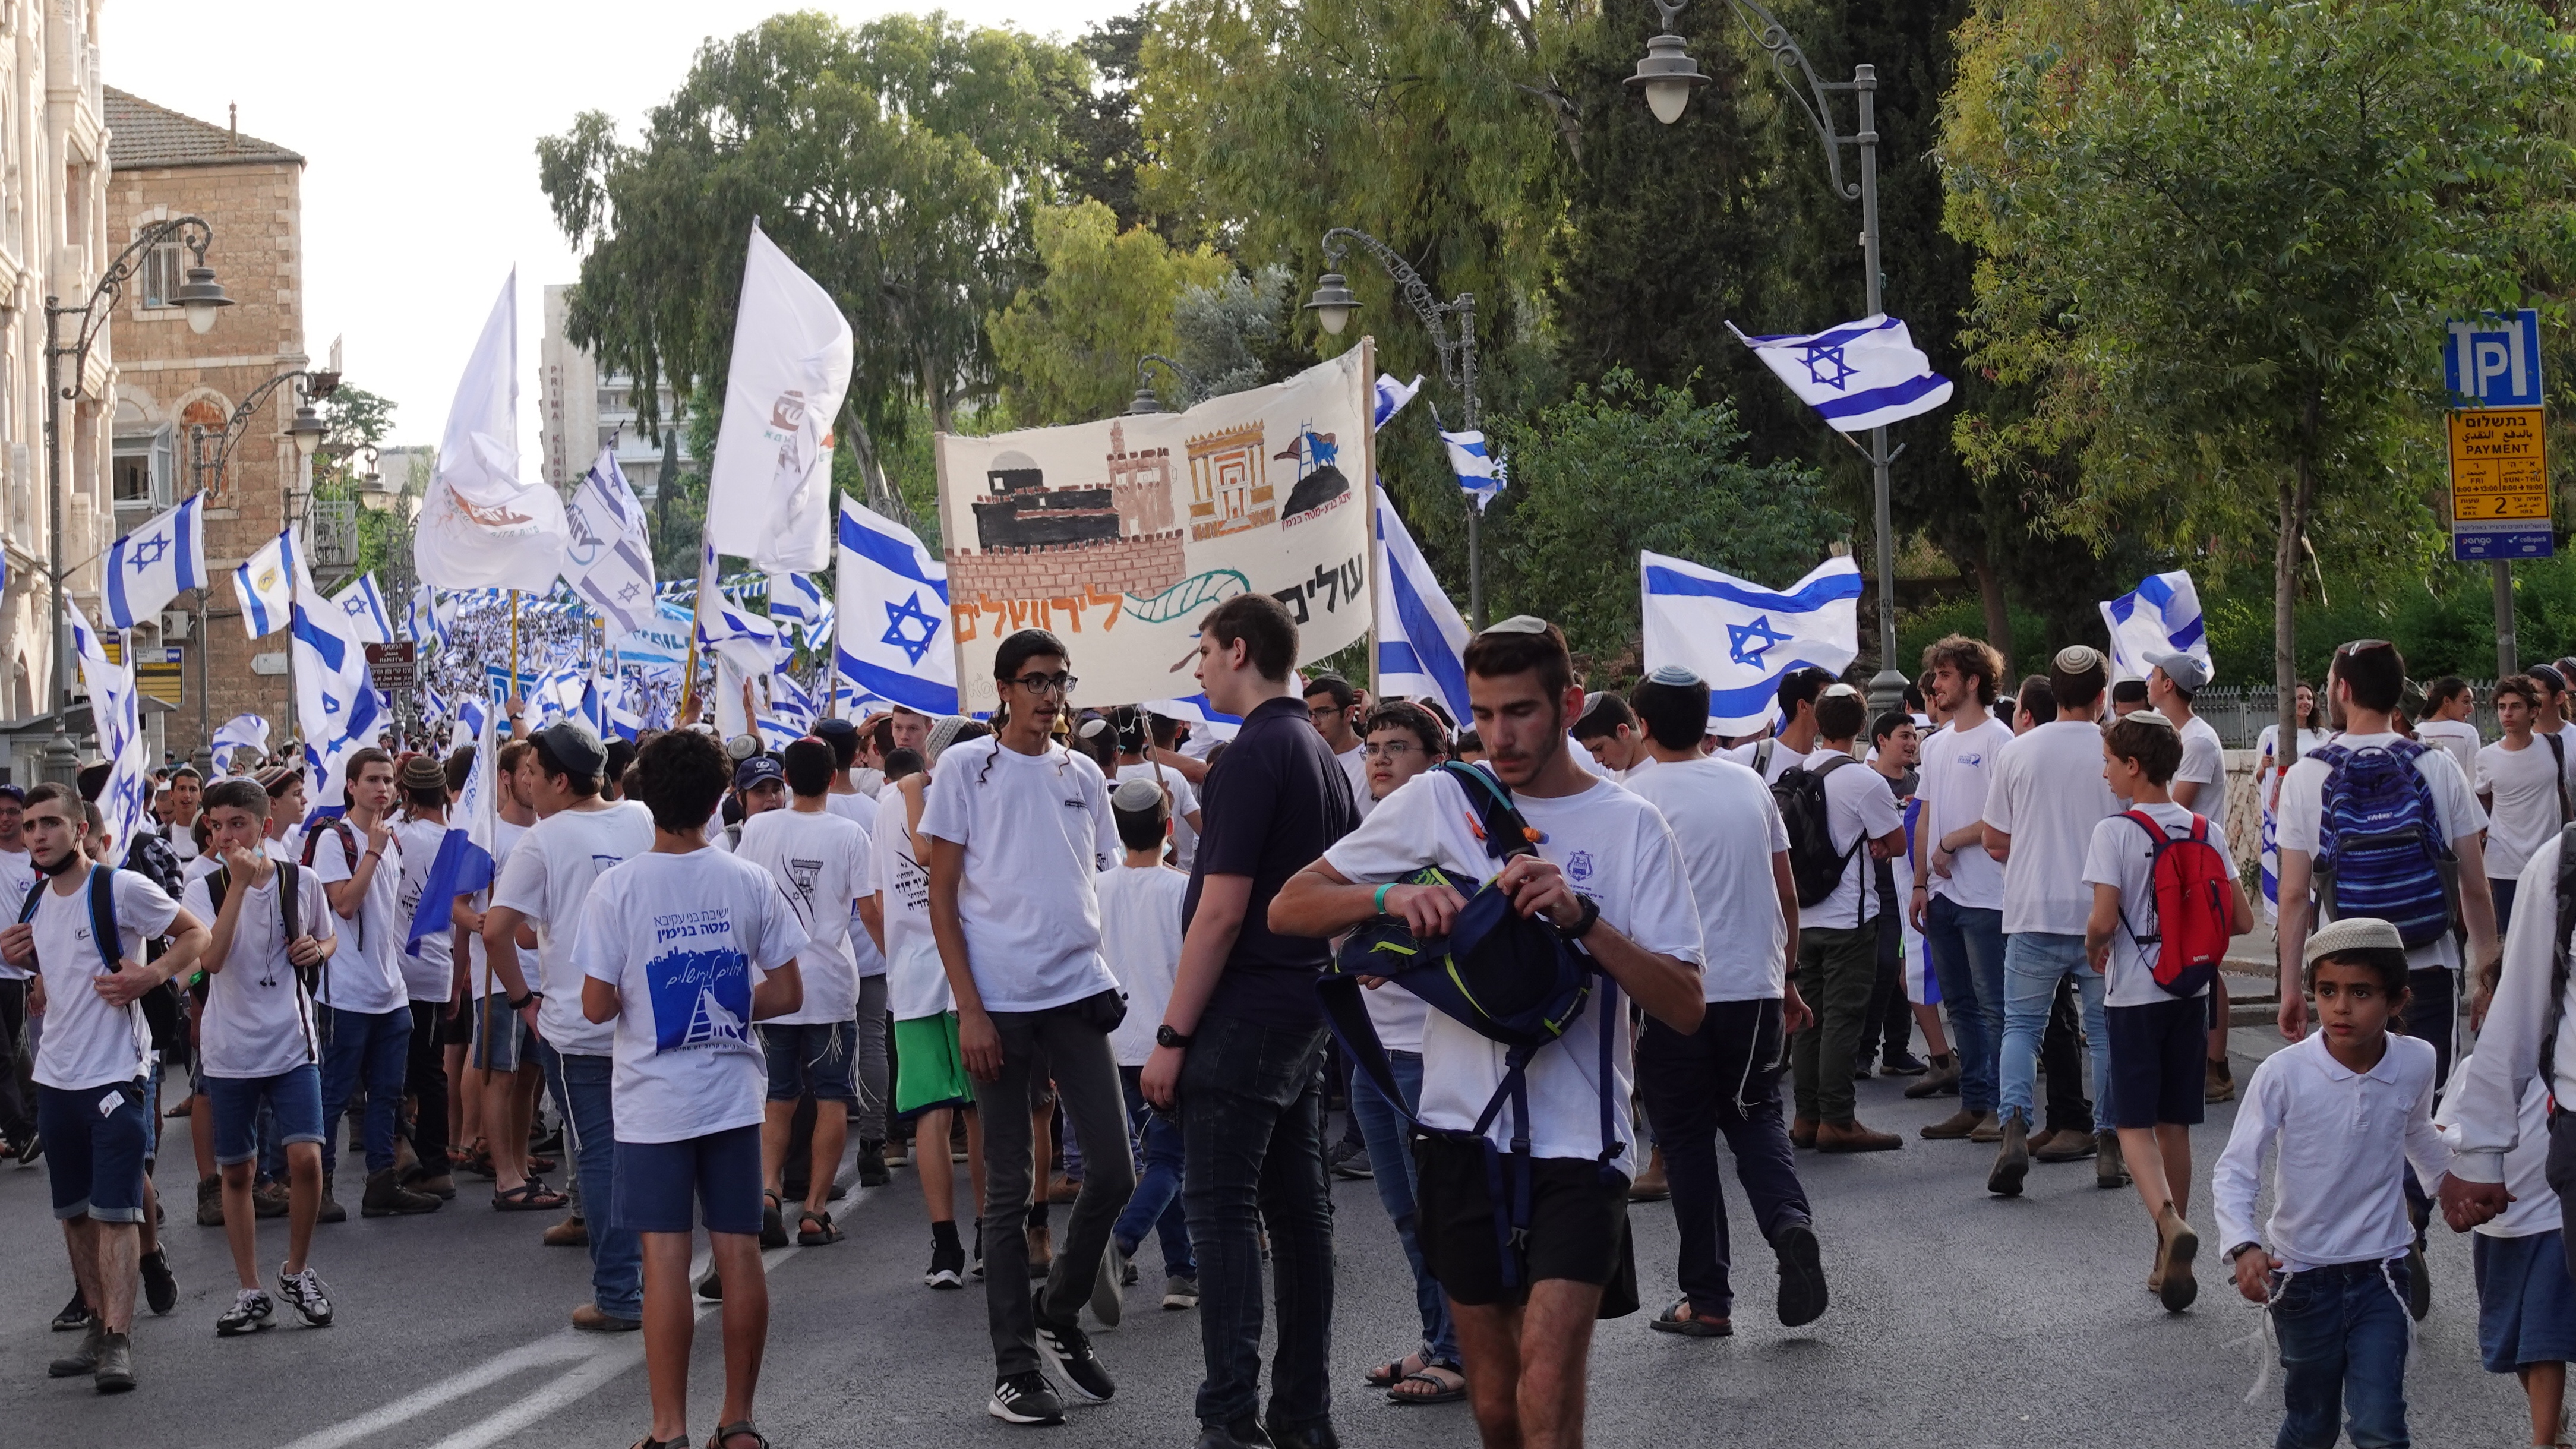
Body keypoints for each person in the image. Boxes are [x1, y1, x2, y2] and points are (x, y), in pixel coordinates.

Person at [1271, 616, 1706, 1449]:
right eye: (1483, 713)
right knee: (1499, 1406)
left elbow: (1685, 1002)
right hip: (1461, 1136)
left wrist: (1583, 919)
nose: (1499, 736)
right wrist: (1387, 898)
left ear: (1569, 703)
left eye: (1521, 712)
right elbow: (1289, 905)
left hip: (1585, 1144)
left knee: (1546, 1384)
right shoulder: (1444, 797)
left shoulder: (1632, 824)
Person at [1132, 596, 1356, 1449]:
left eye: (1202, 653)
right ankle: (1304, 1411)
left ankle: (1230, 1413)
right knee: (1301, 1219)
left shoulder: (1255, 752)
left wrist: (1172, 1035)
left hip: (1246, 1011)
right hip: (1301, 1009)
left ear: (1237, 649)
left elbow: (1220, 912)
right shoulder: (1320, 753)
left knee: (1223, 1212)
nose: (1197, 671)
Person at [921, 629, 1133, 1428]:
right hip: (998, 1003)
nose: (1050, 694)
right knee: (1007, 1193)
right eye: (1035, 680)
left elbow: (1095, 876)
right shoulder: (963, 769)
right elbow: (942, 898)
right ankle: (1014, 1368)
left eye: (1059, 680)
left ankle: (1060, 1306)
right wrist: (970, 1005)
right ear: (1005, 688)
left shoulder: (1083, 772)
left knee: (1114, 1171)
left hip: (1078, 992)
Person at [577, 727, 807, 1449]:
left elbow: (593, 1007)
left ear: (643, 795)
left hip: (652, 1099)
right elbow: (789, 991)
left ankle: (667, 1429)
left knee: (665, 1259)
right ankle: (737, 1422)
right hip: (733, 1092)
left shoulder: (616, 887)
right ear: (722, 799)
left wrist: (652, 995)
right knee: (738, 1250)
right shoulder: (747, 879)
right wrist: (727, 998)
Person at [2274, 639, 2497, 1315]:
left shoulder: (2307, 776)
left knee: (2355, 1106)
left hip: (2346, 973)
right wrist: (2486, 973)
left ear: (2340, 690)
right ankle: (2408, 1225)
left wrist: (2293, 984)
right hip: (2426, 962)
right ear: (2401, 691)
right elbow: (2474, 884)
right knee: (2419, 1110)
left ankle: (2374, 1244)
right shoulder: (2436, 766)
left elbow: (2292, 897)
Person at [1622, 667, 1827, 1340]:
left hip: (1671, 993)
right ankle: (1789, 1224)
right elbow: (1786, 893)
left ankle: (1707, 1298)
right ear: (1708, 719)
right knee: (1756, 1117)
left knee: (1683, 1142)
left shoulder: (1631, 797)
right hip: (1754, 986)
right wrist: (1788, 978)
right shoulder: (1748, 784)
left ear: (1643, 724)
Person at [2218, 918, 2451, 1449]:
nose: (2341, 1007)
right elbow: (2236, 1166)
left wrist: (2451, 1186)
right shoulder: (2285, 1073)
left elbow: (2415, 1129)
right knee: (2311, 1425)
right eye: (2328, 991)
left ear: (2397, 999)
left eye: (2361, 992)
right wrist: (2243, 1243)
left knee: (2380, 1425)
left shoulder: (2418, 1061)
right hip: (2303, 1279)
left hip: (2384, 1273)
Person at [6, 782, 207, 1391]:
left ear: (81, 830)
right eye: (30, 827)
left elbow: (196, 935)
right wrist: (27, 966)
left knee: (113, 1209)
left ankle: (118, 1338)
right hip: (57, 1076)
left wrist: (150, 974)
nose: (37, 835)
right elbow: (51, 980)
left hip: (119, 1070)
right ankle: (97, 1322)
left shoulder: (119, 887)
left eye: (50, 824)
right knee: (73, 1213)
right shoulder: (36, 901)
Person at [487, 720, 658, 1331]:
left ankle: (619, 1293)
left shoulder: (543, 840)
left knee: (602, 1156)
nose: (525, 781)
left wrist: (519, 1000)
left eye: (533, 770)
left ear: (560, 779)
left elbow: (496, 930)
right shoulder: (638, 816)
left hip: (576, 1025)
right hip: (642, 1016)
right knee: (650, 1151)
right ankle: (659, 1283)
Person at [2085, 711, 2252, 1309]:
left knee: (2132, 1124)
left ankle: (2165, 1222)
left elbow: (2104, 920)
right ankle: (2167, 1251)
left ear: (2133, 767)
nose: (2104, 773)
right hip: (2191, 994)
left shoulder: (2114, 833)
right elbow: (2240, 919)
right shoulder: (2204, 829)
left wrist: (2092, 945)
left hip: (2134, 995)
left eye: (2108, 762)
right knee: (2174, 1124)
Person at [1339, 698, 1463, 1399]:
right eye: (1372, 747)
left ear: (1435, 760)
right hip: (1371, 1048)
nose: (1379, 758)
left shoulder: (1446, 832)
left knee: (1439, 1209)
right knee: (1405, 1214)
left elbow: (1468, 930)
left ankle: (1459, 1352)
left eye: (1397, 747)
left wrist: (1398, 955)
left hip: (1427, 1051)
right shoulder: (1371, 832)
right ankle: (1437, 1341)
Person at [187, 776, 341, 1336]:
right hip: (230, 1048)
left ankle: (296, 1270)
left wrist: (315, 947)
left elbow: (328, 938)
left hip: (291, 1039)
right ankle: (249, 1287)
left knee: (306, 1159)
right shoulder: (202, 886)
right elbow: (214, 959)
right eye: (218, 825)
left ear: (265, 826)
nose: (227, 836)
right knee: (239, 1171)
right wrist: (236, 888)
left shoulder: (301, 879)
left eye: (238, 824)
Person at [1982, 646, 2122, 1195]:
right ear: (2101, 696)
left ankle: (2013, 1126)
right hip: (2101, 913)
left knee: (2021, 1028)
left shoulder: (2018, 751)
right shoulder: (2117, 750)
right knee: (2106, 1034)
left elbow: (1995, 840)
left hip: (2033, 908)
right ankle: (2109, 1142)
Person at [736, 736, 873, 1249]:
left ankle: (769, 1191)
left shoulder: (759, 827)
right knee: (834, 1095)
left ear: (787, 780)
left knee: (777, 1096)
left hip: (772, 982)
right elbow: (869, 910)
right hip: (831, 982)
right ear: (834, 776)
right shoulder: (849, 833)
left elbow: (744, 894)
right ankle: (815, 1209)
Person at [306, 748, 440, 1221]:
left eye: (388, 780)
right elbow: (343, 904)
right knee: (336, 1092)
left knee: (389, 1093)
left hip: (390, 989)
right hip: (347, 992)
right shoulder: (335, 839)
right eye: (372, 780)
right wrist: (374, 850)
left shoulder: (391, 839)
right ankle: (315, 1189)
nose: (383, 788)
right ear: (351, 786)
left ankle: (382, 1180)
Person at [872, 743, 986, 1291]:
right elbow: (931, 856)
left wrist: (897, 952)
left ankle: (945, 1246)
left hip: (915, 977)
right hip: (973, 972)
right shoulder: (973, 791)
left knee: (931, 1117)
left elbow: (873, 900)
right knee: (980, 1110)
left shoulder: (886, 801)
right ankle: (990, 1233)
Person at [2433, 1037, 2576, 1449]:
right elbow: (2441, 1131)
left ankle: (2545, 1440)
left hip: (2553, 1221)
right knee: (2514, 1342)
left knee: (2544, 1336)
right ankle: (2550, 1417)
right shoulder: (2479, 1069)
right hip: (2497, 1226)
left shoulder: (2563, 1065)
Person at [1097, 776, 1198, 1315]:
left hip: (1112, 1044)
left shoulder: (1096, 887)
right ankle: (1119, 1243)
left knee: (1159, 1158)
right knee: (1169, 1160)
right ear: (1167, 827)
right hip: (1169, 1042)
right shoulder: (1184, 889)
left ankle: (1183, 1271)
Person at [1911, 636, 2012, 1144]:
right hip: (1945, 897)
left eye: (1946, 674)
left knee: (1994, 1006)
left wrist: (1953, 842)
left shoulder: (2000, 740)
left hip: (1988, 897)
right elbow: (1926, 813)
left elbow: (2004, 819)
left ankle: (2002, 1106)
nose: (1935, 684)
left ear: (1973, 681)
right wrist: (1920, 882)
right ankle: (1974, 1102)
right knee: (1960, 1004)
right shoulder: (1935, 744)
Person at [814, 716, 894, 1185]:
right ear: (858, 751)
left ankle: (814, 1155)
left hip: (821, 952)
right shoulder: (873, 809)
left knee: (819, 1050)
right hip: (869, 943)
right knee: (872, 1041)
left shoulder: (800, 810)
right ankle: (873, 1141)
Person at [390, 754, 459, 1204]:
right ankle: (430, 1159)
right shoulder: (458, 841)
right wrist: (458, 981)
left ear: (409, 796)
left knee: (400, 1070)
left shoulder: (400, 837)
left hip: (399, 967)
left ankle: (427, 1160)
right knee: (429, 1068)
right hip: (437, 965)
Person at [1860, 712, 1933, 1079]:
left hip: (1914, 890)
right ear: (1881, 740)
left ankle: (1897, 1051)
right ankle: (1864, 1051)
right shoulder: (1868, 784)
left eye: (1915, 737)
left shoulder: (1920, 783)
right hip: (1879, 892)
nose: (1911, 743)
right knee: (1886, 966)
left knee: (1908, 970)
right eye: (1904, 736)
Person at [2477, 675, 2561, 941]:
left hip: (2550, 860)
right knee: (2512, 941)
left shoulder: (2552, 746)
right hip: (2505, 865)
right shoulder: (2487, 757)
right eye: (2502, 707)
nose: (2507, 713)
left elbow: (2562, 793)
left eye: (2515, 706)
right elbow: (2482, 804)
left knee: (2550, 940)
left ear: (2534, 711)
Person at [1726, 667, 1832, 784]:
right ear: (1803, 706)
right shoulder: (1747, 758)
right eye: (1826, 702)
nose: (1834, 709)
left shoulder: (1827, 764)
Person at [1303, 673, 1371, 819]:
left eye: (1323, 712)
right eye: (1309, 714)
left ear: (1348, 714)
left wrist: (1373, 715)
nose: (1314, 722)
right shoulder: (1306, 762)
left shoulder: (1372, 758)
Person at [2416, 676, 2482, 785]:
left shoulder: (2416, 731)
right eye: (2466, 701)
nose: (2471, 708)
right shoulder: (2467, 733)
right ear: (2447, 701)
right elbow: (2474, 780)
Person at [1572, 693, 1650, 778]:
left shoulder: (1661, 773)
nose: (1597, 760)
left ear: (1622, 731)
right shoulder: (1615, 775)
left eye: (1599, 748)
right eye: (1591, 752)